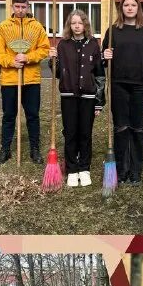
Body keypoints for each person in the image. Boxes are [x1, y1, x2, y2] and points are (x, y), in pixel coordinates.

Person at [101, 0, 143, 185]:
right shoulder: (112, 31)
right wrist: (105, 56)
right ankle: (122, 170)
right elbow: (103, 58)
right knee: (121, 127)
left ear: (138, 8)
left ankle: (136, 170)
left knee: (137, 128)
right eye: (126, 5)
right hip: (118, 85)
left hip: (141, 87)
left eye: (133, 5)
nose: (130, 8)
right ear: (121, 8)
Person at [0, 0, 51, 165]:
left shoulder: (37, 27)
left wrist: (28, 57)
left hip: (32, 80)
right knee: (9, 116)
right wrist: (12, 62)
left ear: (28, 6)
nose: (20, 10)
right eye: (17, 7)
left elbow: (44, 49)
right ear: (12, 7)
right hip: (10, 80)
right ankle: (5, 149)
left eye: (23, 7)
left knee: (33, 115)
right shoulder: (4, 27)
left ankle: (34, 149)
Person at [49, 10, 105, 187]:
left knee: (85, 133)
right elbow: (58, 73)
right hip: (69, 95)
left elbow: (100, 75)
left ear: (85, 24)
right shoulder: (63, 45)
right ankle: (72, 168)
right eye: (73, 23)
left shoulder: (93, 45)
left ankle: (84, 168)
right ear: (69, 25)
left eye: (80, 23)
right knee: (70, 132)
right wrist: (52, 60)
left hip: (88, 96)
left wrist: (99, 102)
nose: (77, 26)